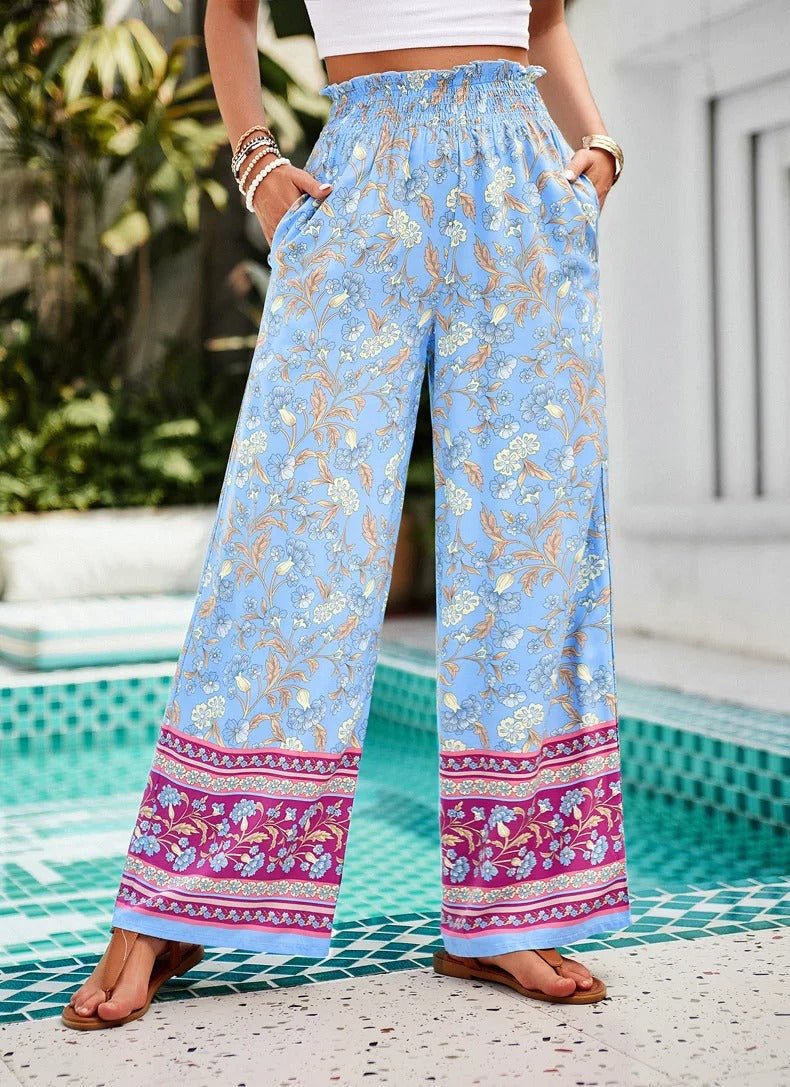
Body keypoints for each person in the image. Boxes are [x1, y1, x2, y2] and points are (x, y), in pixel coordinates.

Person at [63, 0, 631, 1029]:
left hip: (522, 182)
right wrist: (256, 161)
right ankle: (176, 900)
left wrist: (596, 148)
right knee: (289, 533)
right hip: (361, 172)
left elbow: (544, 19)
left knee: (529, 545)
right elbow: (229, 13)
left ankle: (506, 912)